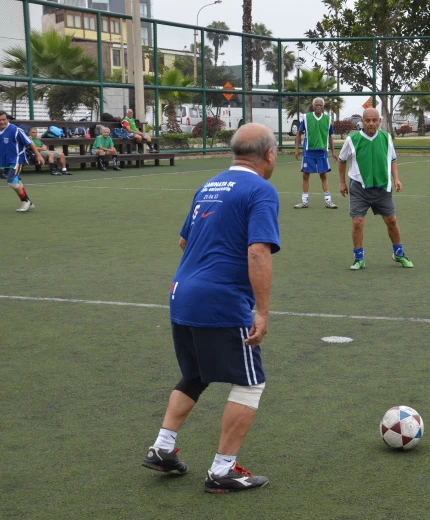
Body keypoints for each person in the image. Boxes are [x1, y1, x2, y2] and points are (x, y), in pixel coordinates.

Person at [142, 123, 280, 493]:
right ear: (268, 154)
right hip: (219, 301)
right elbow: (257, 251)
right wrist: (262, 312)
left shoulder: (209, 185)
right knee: (250, 383)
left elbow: (184, 240)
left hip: (181, 293)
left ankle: (163, 449)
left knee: (196, 374)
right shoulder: (261, 190)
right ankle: (223, 470)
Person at [338, 107, 413, 270]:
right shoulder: (352, 139)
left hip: (382, 188)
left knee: (391, 221)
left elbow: (392, 159)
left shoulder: (386, 138)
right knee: (357, 222)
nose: (371, 123)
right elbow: (342, 160)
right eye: (367, 120)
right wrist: (342, 182)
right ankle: (359, 258)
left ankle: (399, 254)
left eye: (374, 120)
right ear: (362, 122)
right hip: (359, 188)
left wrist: (397, 179)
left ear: (379, 121)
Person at [293, 97, 338, 209]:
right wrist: (297, 149)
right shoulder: (307, 118)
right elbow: (299, 133)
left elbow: (330, 136)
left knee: (323, 175)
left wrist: (333, 151)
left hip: (322, 152)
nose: (318, 107)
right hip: (308, 152)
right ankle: (304, 201)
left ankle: (328, 201)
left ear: (323, 107)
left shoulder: (328, 119)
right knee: (305, 175)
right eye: (316, 105)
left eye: (321, 105)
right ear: (313, 107)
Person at [0, 111, 43, 212]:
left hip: (17, 159)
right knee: (16, 181)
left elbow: (30, 143)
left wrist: (38, 155)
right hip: (6, 160)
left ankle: (25, 201)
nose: (2, 122)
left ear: (8, 119)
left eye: (4, 119)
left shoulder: (15, 130)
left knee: (11, 181)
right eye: (0, 120)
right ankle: (29, 203)